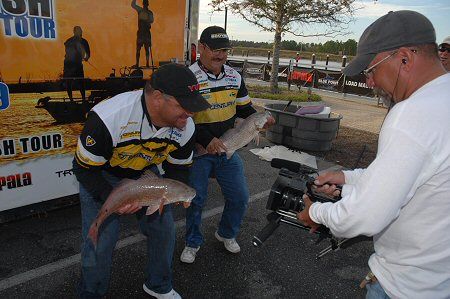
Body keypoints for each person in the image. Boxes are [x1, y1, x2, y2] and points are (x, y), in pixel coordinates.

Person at [297, 11, 450, 299]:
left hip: (404, 287)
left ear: (404, 58)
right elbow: (411, 179)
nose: (369, 82)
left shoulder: (412, 114)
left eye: (371, 70)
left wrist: (315, 213)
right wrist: (347, 177)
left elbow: (367, 215)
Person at [73, 63, 210, 299]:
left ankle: (158, 286)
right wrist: (112, 197)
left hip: (146, 173)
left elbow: (178, 171)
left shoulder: (185, 127)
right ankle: (90, 294)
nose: (190, 113)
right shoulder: (108, 118)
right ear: (158, 98)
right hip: (102, 175)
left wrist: (175, 194)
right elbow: (83, 170)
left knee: (164, 229)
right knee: (101, 239)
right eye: (184, 106)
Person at [180, 26, 274, 264]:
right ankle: (192, 242)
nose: (220, 55)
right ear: (201, 48)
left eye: (224, 50)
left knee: (240, 196)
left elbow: (245, 110)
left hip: (228, 149)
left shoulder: (234, 76)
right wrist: (205, 140)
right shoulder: (188, 77)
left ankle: (226, 234)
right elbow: (181, 118)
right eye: (215, 50)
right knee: (196, 199)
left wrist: (262, 121)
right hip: (199, 151)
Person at [63, 26, 90, 101]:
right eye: (79, 31)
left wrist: (86, 57)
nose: (80, 32)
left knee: (79, 81)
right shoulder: (71, 41)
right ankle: (74, 99)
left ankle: (81, 99)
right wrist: (85, 57)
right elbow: (68, 51)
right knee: (71, 82)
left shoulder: (82, 41)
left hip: (74, 64)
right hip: (71, 64)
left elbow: (87, 53)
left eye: (80, 31)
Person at [131, 0, 154, 68]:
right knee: (141, 49)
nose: (145, 4)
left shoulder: (142, 11)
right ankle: (141, 64)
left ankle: (144, 63)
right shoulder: (147, 12)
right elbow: (151, 21)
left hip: (143, 33)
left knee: (143, 49)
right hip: (144, 33)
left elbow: (151, 21)